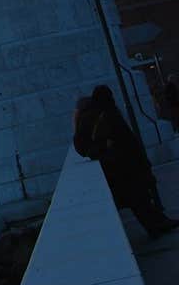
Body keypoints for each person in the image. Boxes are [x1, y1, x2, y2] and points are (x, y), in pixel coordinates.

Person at [74, 84, 177, 238]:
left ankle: (158, 223)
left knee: (139, 198)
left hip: (122, 164)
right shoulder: (101, 114)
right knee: (139, 198)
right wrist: (104, 147)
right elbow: (86, 145)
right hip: (121, 165)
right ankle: (157, 225)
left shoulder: (101, 113)